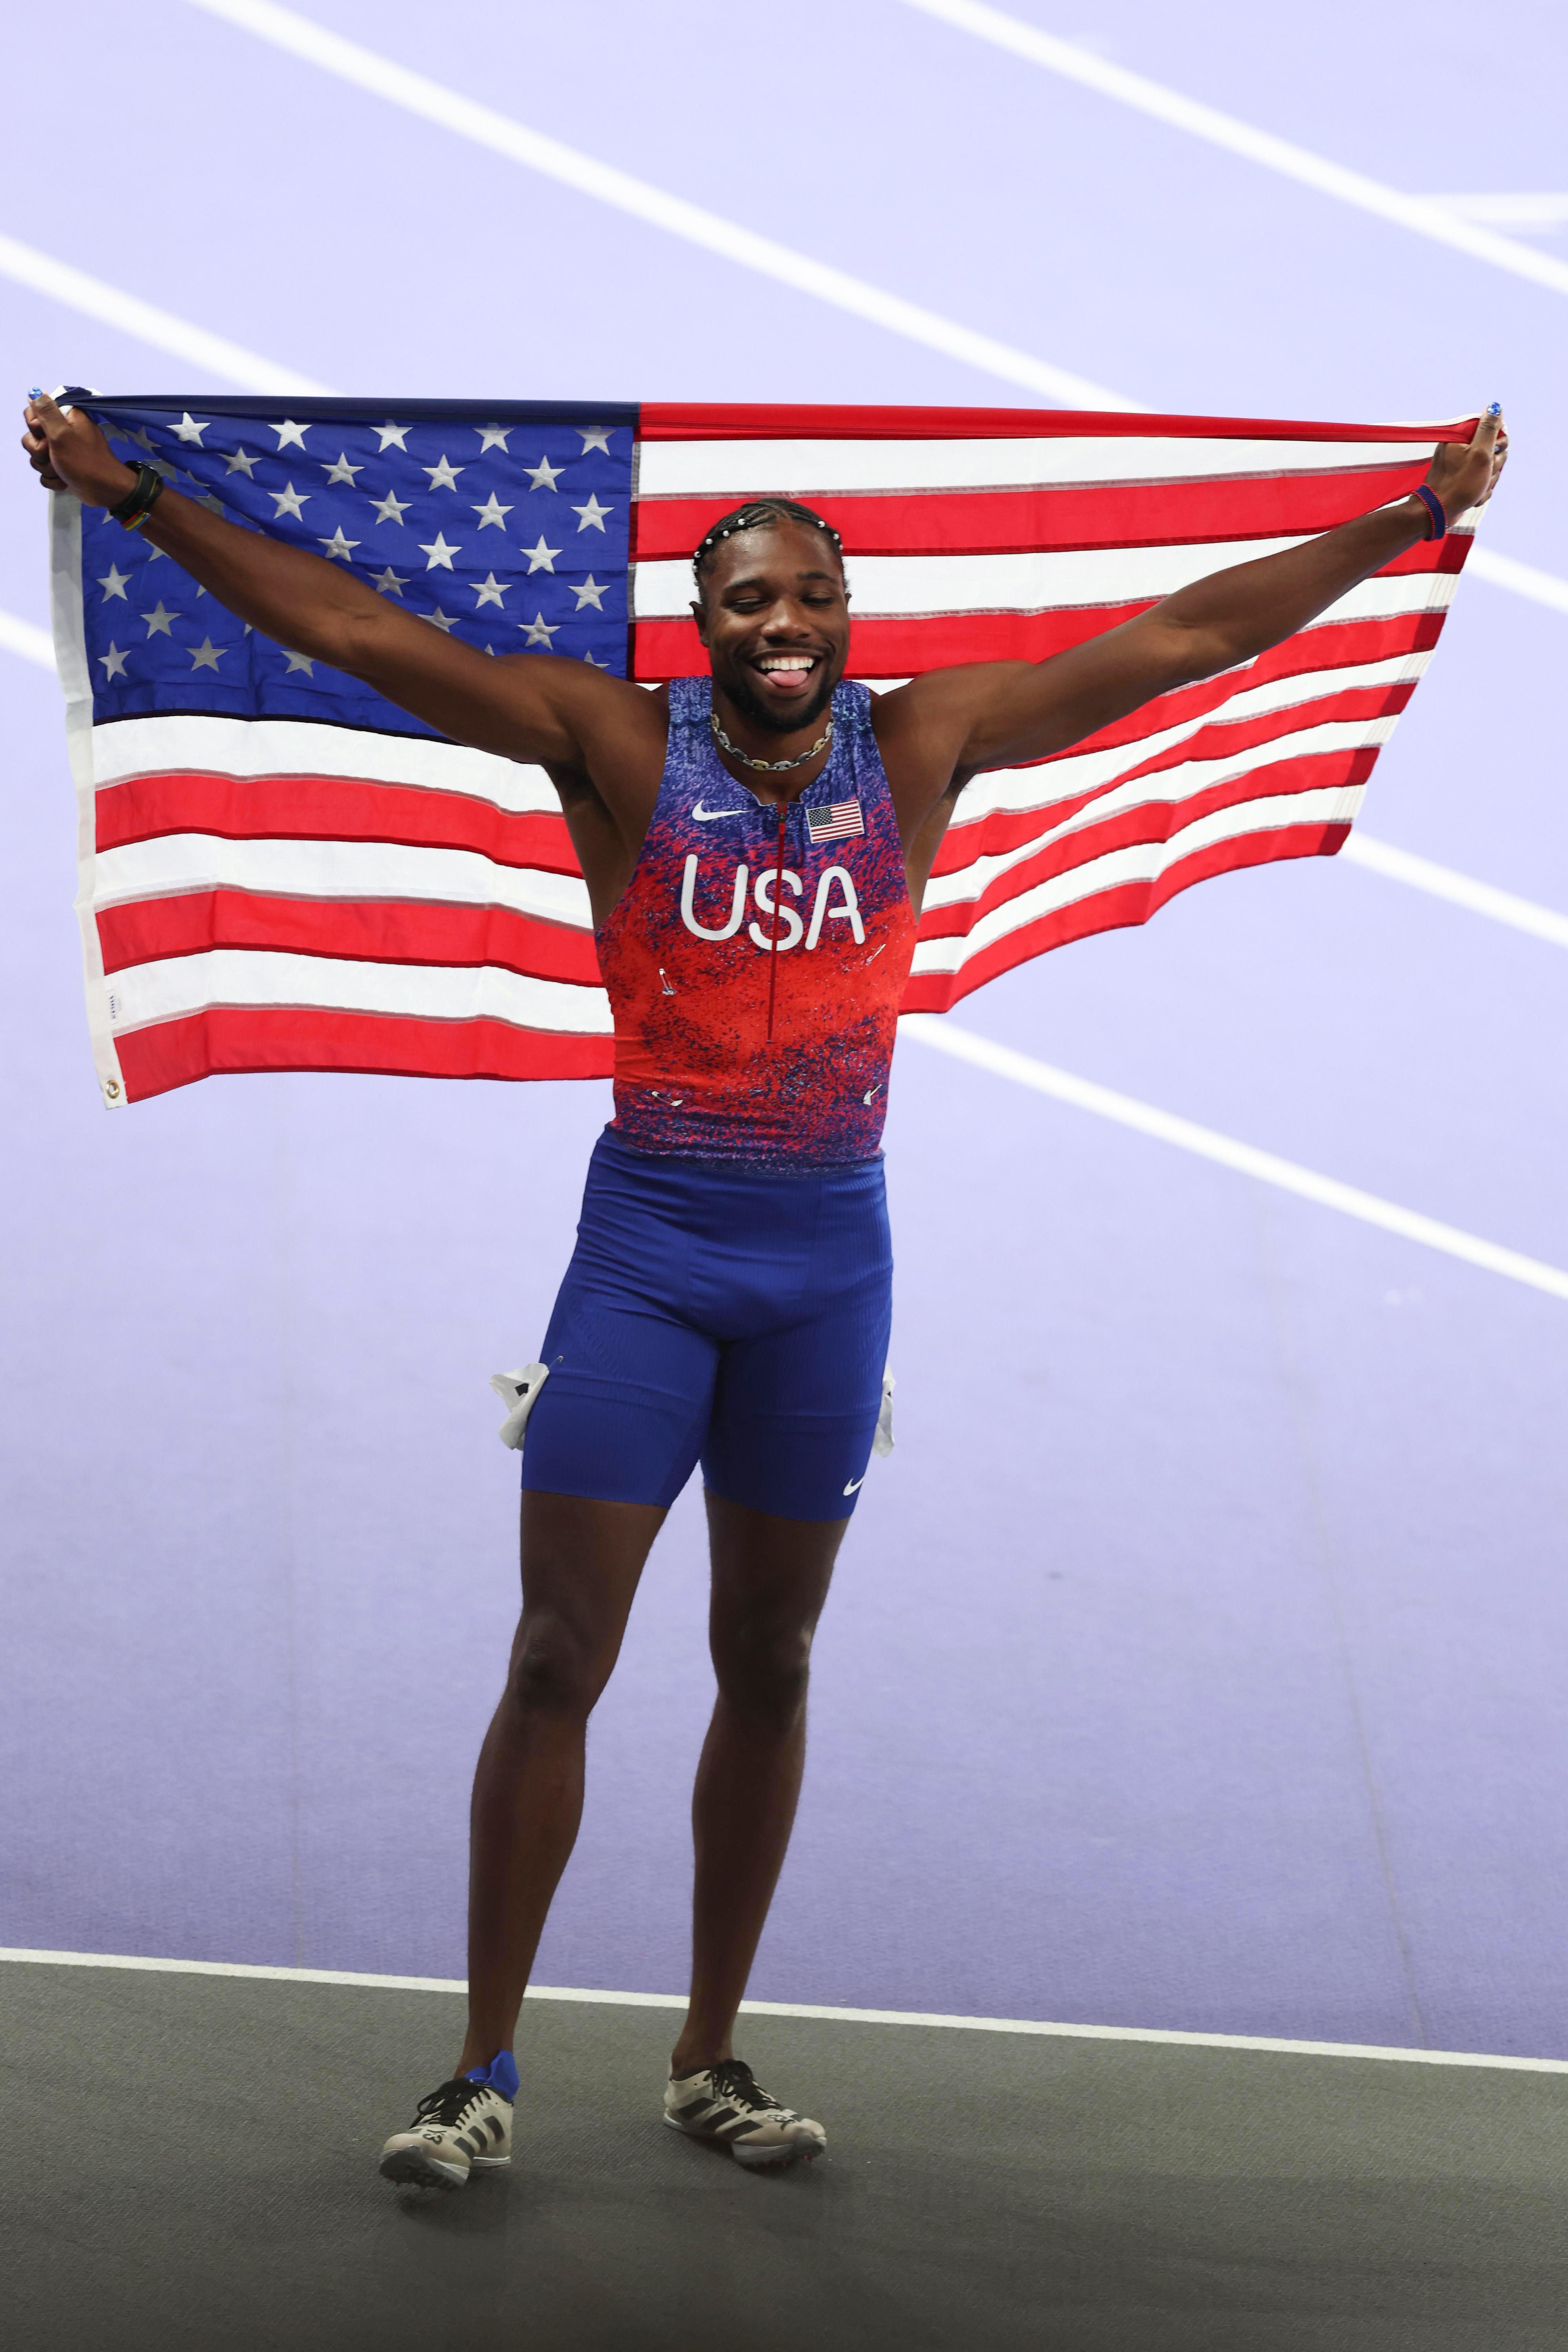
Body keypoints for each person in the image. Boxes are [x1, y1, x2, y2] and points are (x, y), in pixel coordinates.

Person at [24, 392, 1506, 2188]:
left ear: (846, 611)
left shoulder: (931, 744)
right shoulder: (611, 744)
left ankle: (707, 2058)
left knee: (773, 1658)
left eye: (807, 596)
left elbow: (1186, 638)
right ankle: (479, 2067)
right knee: (560, 1653)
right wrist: (149, 497)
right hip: (648, 1254)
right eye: (746, 605)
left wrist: (1409, 516)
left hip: (827, 1266)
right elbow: (354, 633)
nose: (781, 628)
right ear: (701, 623)